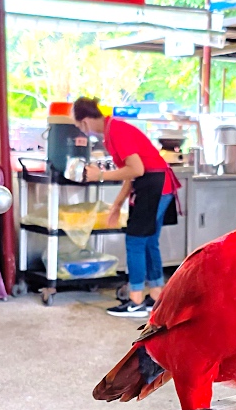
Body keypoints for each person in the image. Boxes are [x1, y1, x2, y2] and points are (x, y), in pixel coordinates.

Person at [73, 97, 180, 318]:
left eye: (79, 127)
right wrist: (117, 204)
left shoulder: (117, 131)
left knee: (135, 240)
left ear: (84, 122)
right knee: (149, 241)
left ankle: (136, 301)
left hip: (154, 185)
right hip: (159, 186)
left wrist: (100, 175)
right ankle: (156, 297)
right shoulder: (112, 131)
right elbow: (130, 173)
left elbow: (137, 169)